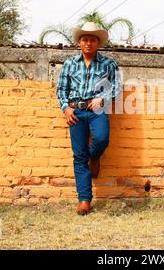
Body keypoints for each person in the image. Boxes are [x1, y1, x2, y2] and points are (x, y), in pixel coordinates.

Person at [56, 22, 122, 215]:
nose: (89, 43)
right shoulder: (69, 64)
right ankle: (84, 199)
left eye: (93, 40)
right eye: (85, 39)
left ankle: (94, 156)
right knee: (78, 155)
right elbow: (61, 89)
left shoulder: (109, 64)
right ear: (79, 42)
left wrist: (104, 98)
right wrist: (65, 108)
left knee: (102, 139)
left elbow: (117, 87)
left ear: (98, 42)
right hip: (75, 111)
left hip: (97, 111)